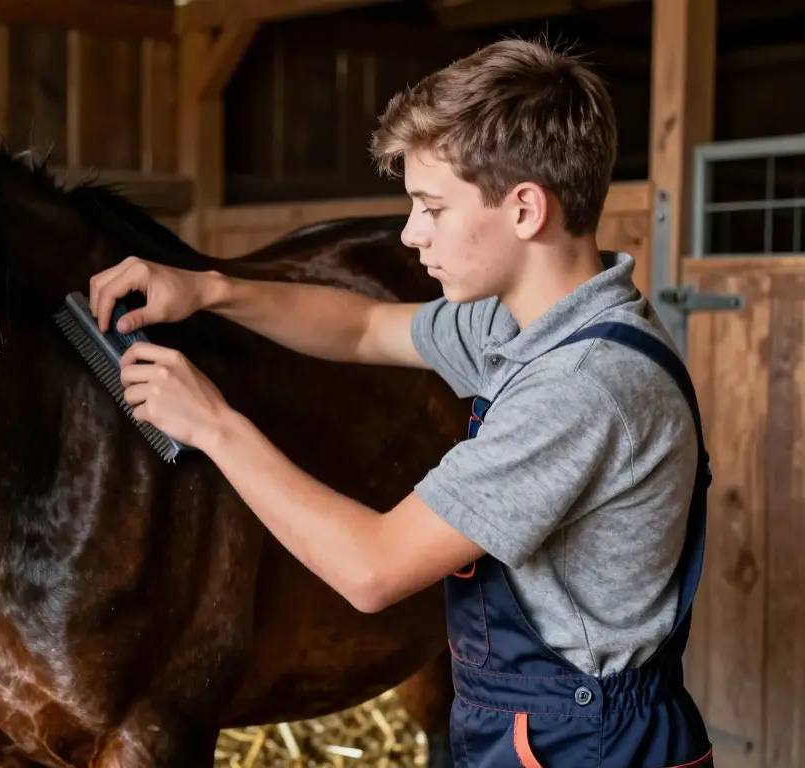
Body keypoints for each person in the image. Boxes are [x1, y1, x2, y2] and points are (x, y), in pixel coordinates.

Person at [87, 37, 714, 767]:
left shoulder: (584, 385)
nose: (412, 235)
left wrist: (216, 426)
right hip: (526, 725)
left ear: (524, 209)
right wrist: (210, 288)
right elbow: (362, 327)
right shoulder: (525, 323)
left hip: (587, 745)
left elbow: (372, 570)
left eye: (432, 207)